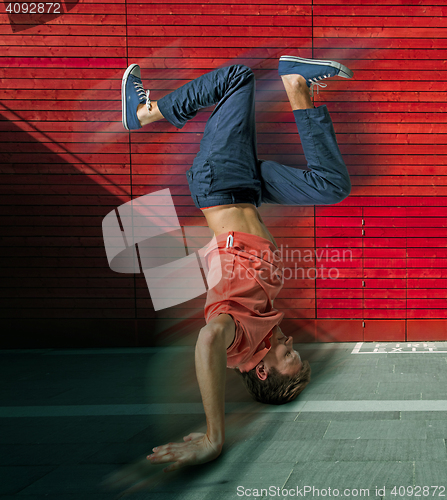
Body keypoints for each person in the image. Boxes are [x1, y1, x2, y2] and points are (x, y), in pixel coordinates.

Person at [121, 55, 353, 472]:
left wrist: (214, 436)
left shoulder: (237, 341)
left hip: (221, 182)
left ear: (263, 372)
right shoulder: (262, 321)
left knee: (235, 78)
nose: (292, 346)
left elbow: (208, 340)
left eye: (289, 358)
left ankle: (142, 113)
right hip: (248, 189)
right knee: (331, 186)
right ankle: (298, 87)